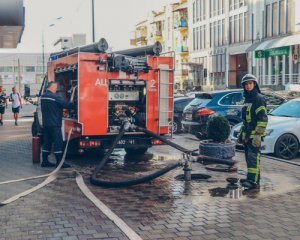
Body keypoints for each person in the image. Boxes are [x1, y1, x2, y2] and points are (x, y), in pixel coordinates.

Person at [238, 74, 268, 190]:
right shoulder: (247, 99)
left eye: (250, 83)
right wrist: (242, 134)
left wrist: (257, 135)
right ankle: (252, 178)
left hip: (254, 135)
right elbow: (245, 120)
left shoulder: (259, 99)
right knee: (249, 159)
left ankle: (253, 182)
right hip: (247, 134)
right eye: (246, 84)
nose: (248, 86)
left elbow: (263, 119)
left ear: (254, 84)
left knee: (253, 158)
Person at [40, 82, 74, 168]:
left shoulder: (43, 96)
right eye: (56, 88)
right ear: (52, 87)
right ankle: (59, 163)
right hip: (55, 124)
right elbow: (67, 105)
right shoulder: (54, 97)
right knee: (58, 142)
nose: (56, 90)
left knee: (47, 142)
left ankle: (44, 161)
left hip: (46, 124)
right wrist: (74, 102)